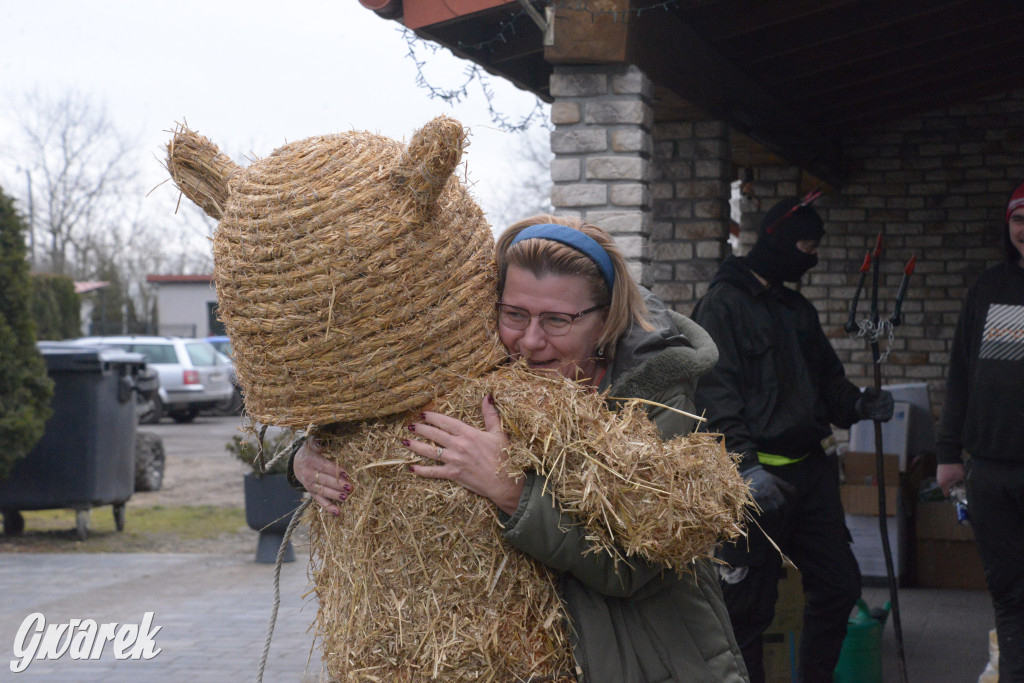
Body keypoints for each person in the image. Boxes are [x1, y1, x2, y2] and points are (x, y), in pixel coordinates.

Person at [293, 215, 750, 682]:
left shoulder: (655, 396)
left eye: (557, 320)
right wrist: (306, 454)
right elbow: (369, 399)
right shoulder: (483, 362)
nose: (530, 342)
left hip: (644, 657)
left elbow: (634, 567)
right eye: (514, 314)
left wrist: (511, 490)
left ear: (605, 317)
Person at [691, 197, 894, 683]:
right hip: (756, 482)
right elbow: (715, 396)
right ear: (779, 241)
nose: (812, 257)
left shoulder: (796, 307)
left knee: (839, 586)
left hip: (811, 475)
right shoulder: (722, 305)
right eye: (806, 245)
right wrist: (745, 467)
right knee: (747, 610)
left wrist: (859, 404)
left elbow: (827, 382)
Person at [936, 180, 1024, 681]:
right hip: (991, 471)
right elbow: (961, 375)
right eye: (1018, 219)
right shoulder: (988, 290)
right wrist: (949, 454)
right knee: (1009, 591)